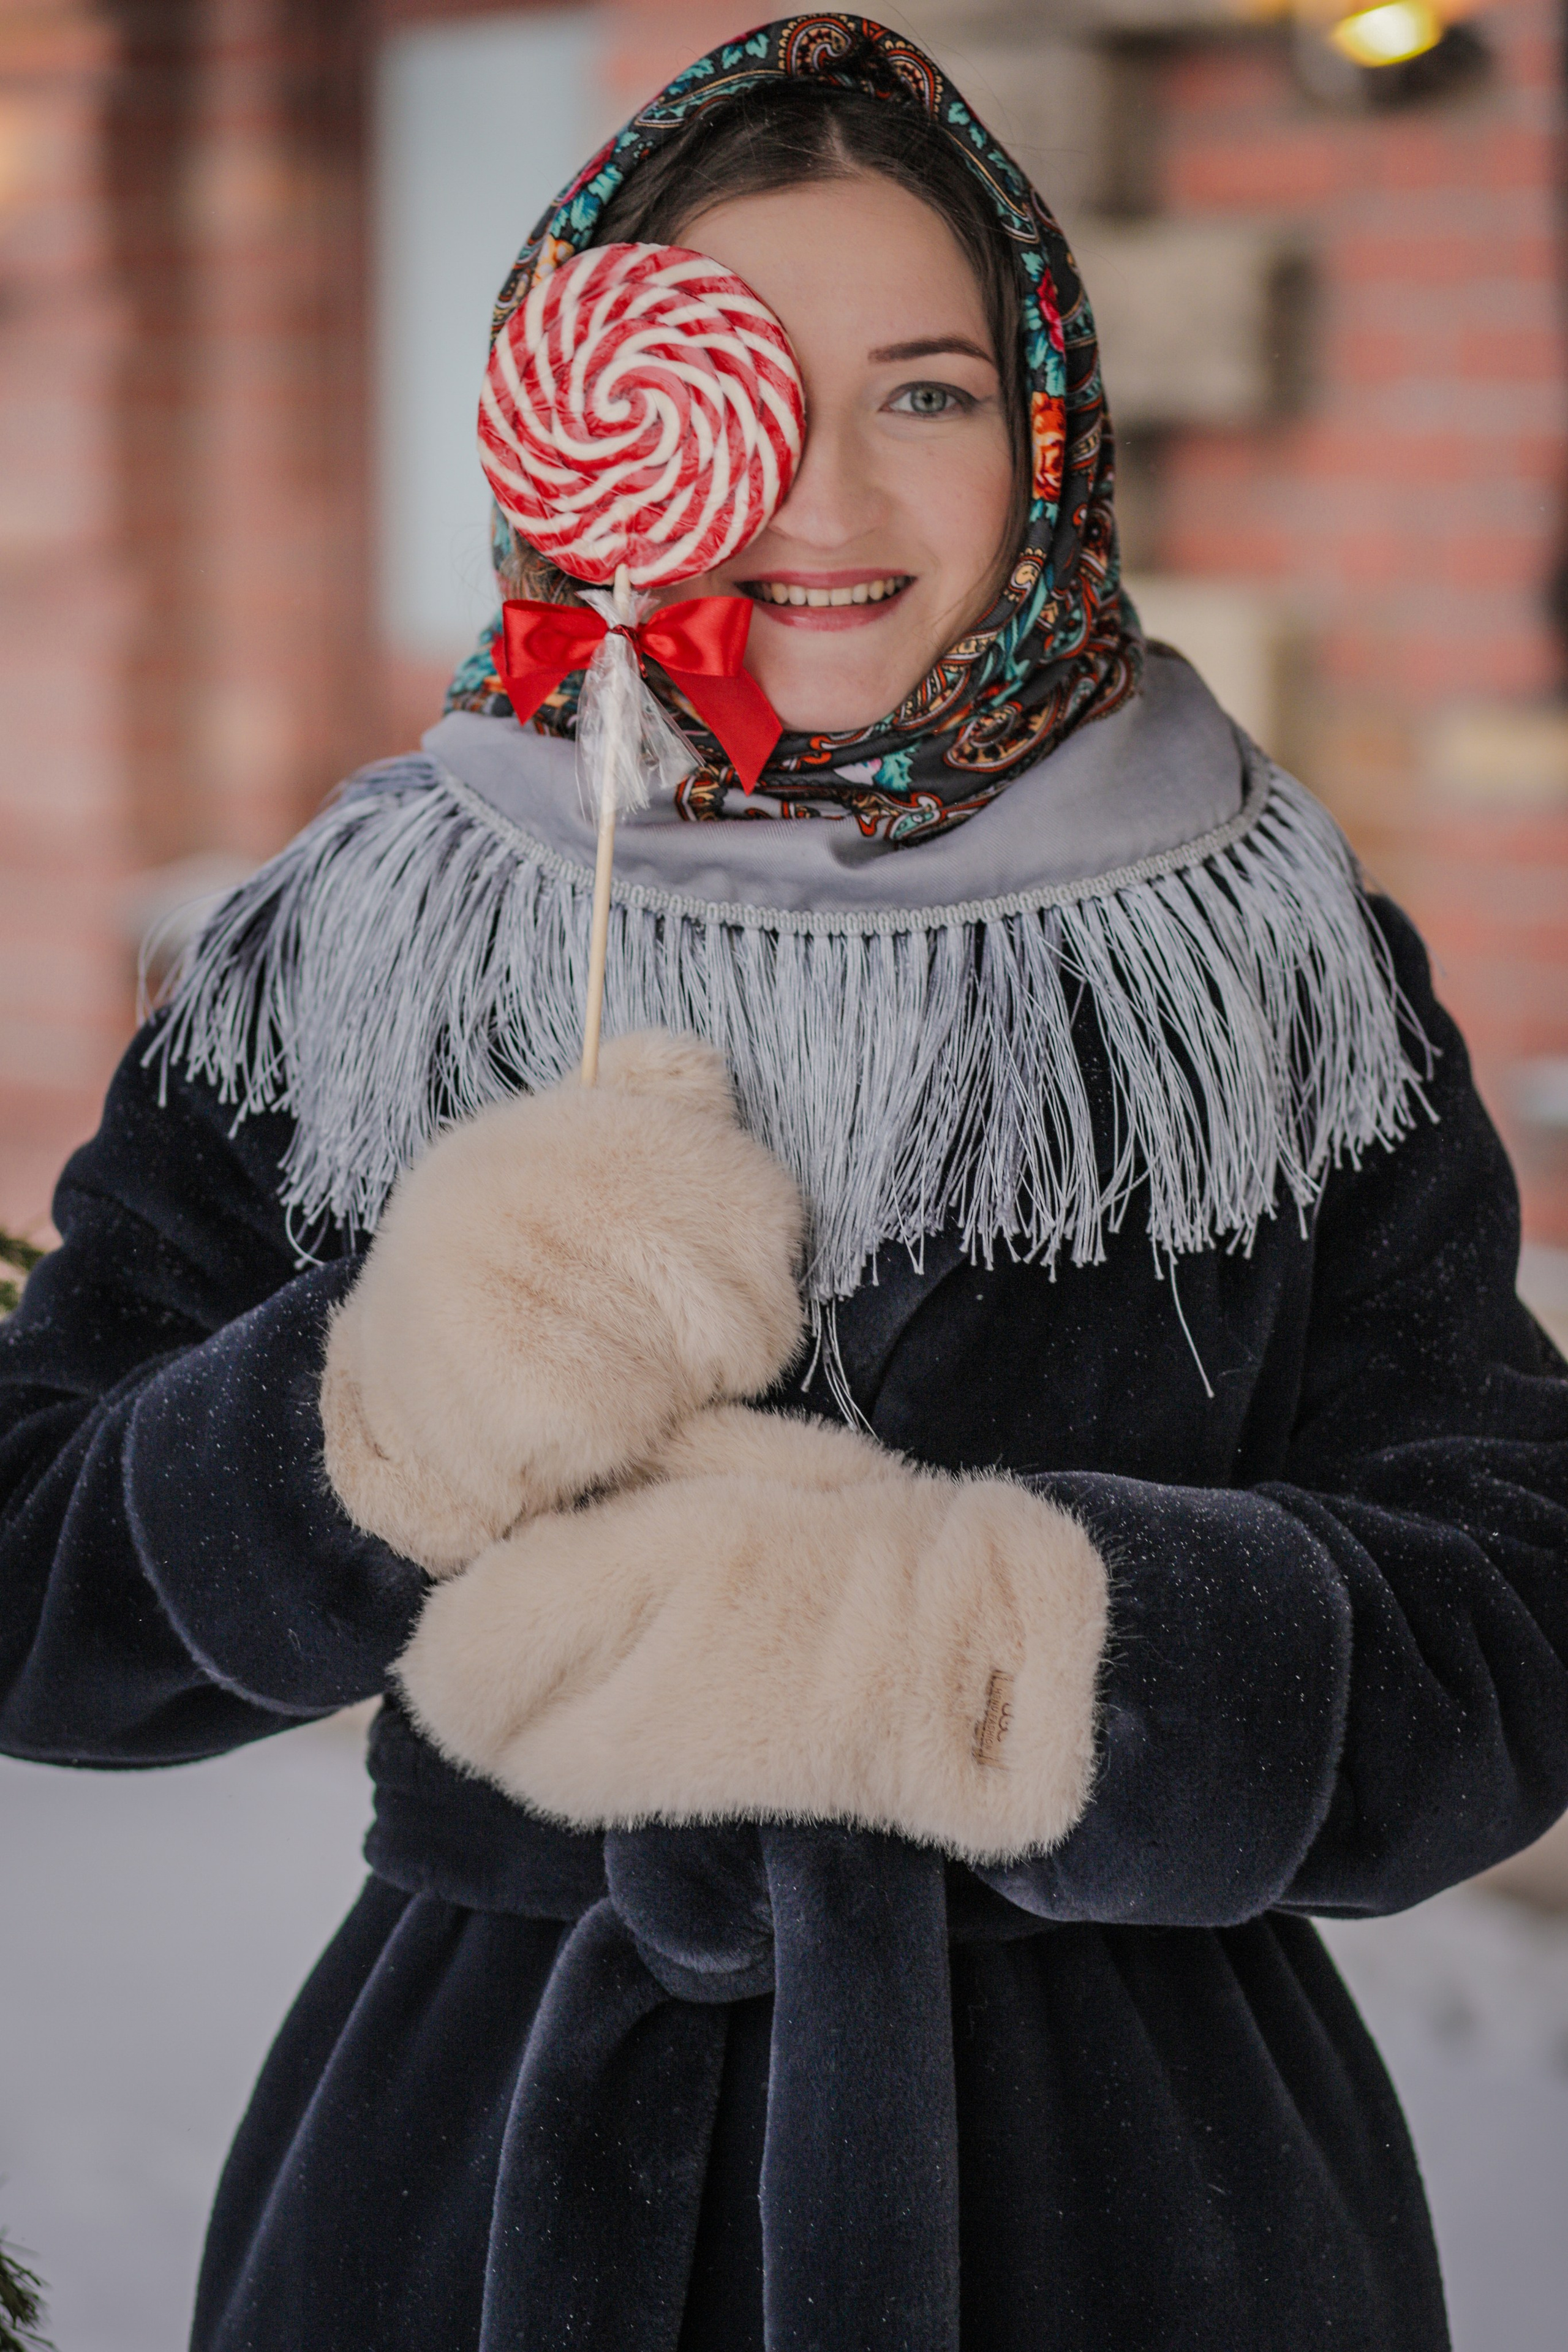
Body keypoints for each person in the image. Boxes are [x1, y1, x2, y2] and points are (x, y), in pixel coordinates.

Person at [2, 18, 1565, 2351]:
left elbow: (1514, 1626)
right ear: (595, 423)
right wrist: (384, 1412)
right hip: (479, 2176)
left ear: (1042, 428)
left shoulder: (1258, 950)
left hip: (1142, 2199)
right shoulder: (369, 941)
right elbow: (40, 1589)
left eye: (924, 392)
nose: (819, 500)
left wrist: (968, 1652)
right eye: (743, 380)